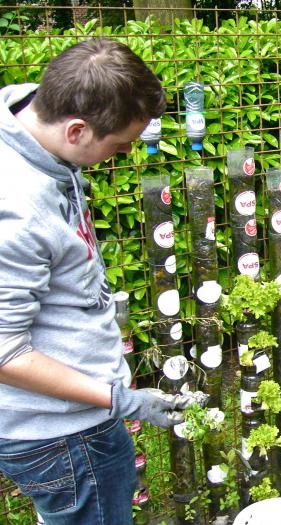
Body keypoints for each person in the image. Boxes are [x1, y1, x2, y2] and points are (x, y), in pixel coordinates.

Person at [0, 39, 189, 525]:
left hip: (71, 426)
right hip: (62, 436)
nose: (125, 153)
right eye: (119, 144)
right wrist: (119, 399)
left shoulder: (34, 125)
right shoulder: (17, 209)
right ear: (78, 129)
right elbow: (3, 351)